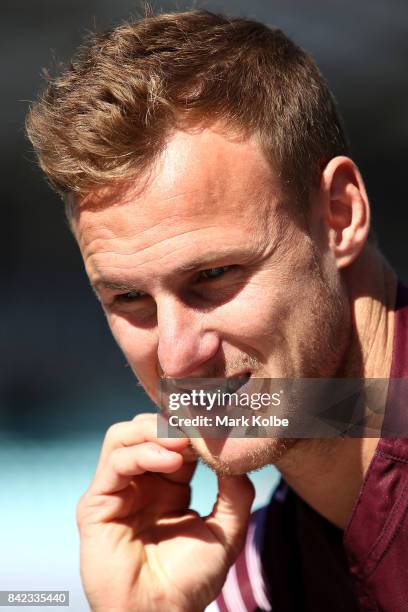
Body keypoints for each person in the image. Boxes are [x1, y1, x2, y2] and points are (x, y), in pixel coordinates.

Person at [26, 10, 408, 611]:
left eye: (212, 276)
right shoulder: (255, 569)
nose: (178, 356)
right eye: (129, 298)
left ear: (339, 215)